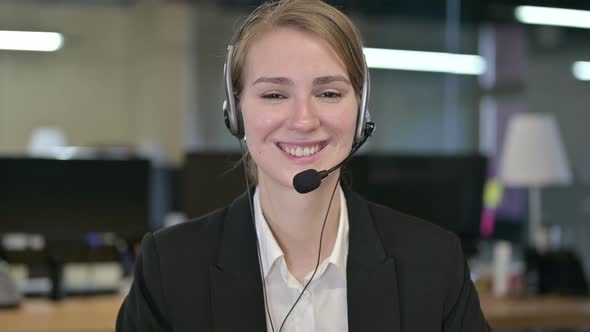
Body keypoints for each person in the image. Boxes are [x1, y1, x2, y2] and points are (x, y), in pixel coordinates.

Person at [116, 0, 491, 331]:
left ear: (361, 114)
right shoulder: (169, 268)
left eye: (328, 93)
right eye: (274, 94)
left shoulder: (433, 263)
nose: (303, 120)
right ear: (235, 113)